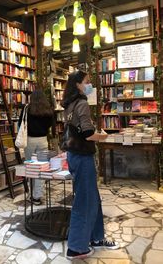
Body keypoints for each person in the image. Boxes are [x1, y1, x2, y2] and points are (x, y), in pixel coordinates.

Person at [62, 70, 119, 260]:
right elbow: (87, 134)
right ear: (78, 84)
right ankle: (76, 247)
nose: (90, 85)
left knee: (92, 198)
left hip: (74, 155)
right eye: (87, 81)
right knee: (84, 201)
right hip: (82, 155)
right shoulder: (82, 103)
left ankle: (95, 237)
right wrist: (103, 136)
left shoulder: (69, 104)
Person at [19, 89, 54, 205]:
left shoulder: (27, 109)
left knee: (30, 167)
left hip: (29, 140)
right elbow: (51, 124)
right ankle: (37, 196)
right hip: (43, 140)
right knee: (41, 168)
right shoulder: (47, 109)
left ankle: (31, 194)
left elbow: (20, 124)